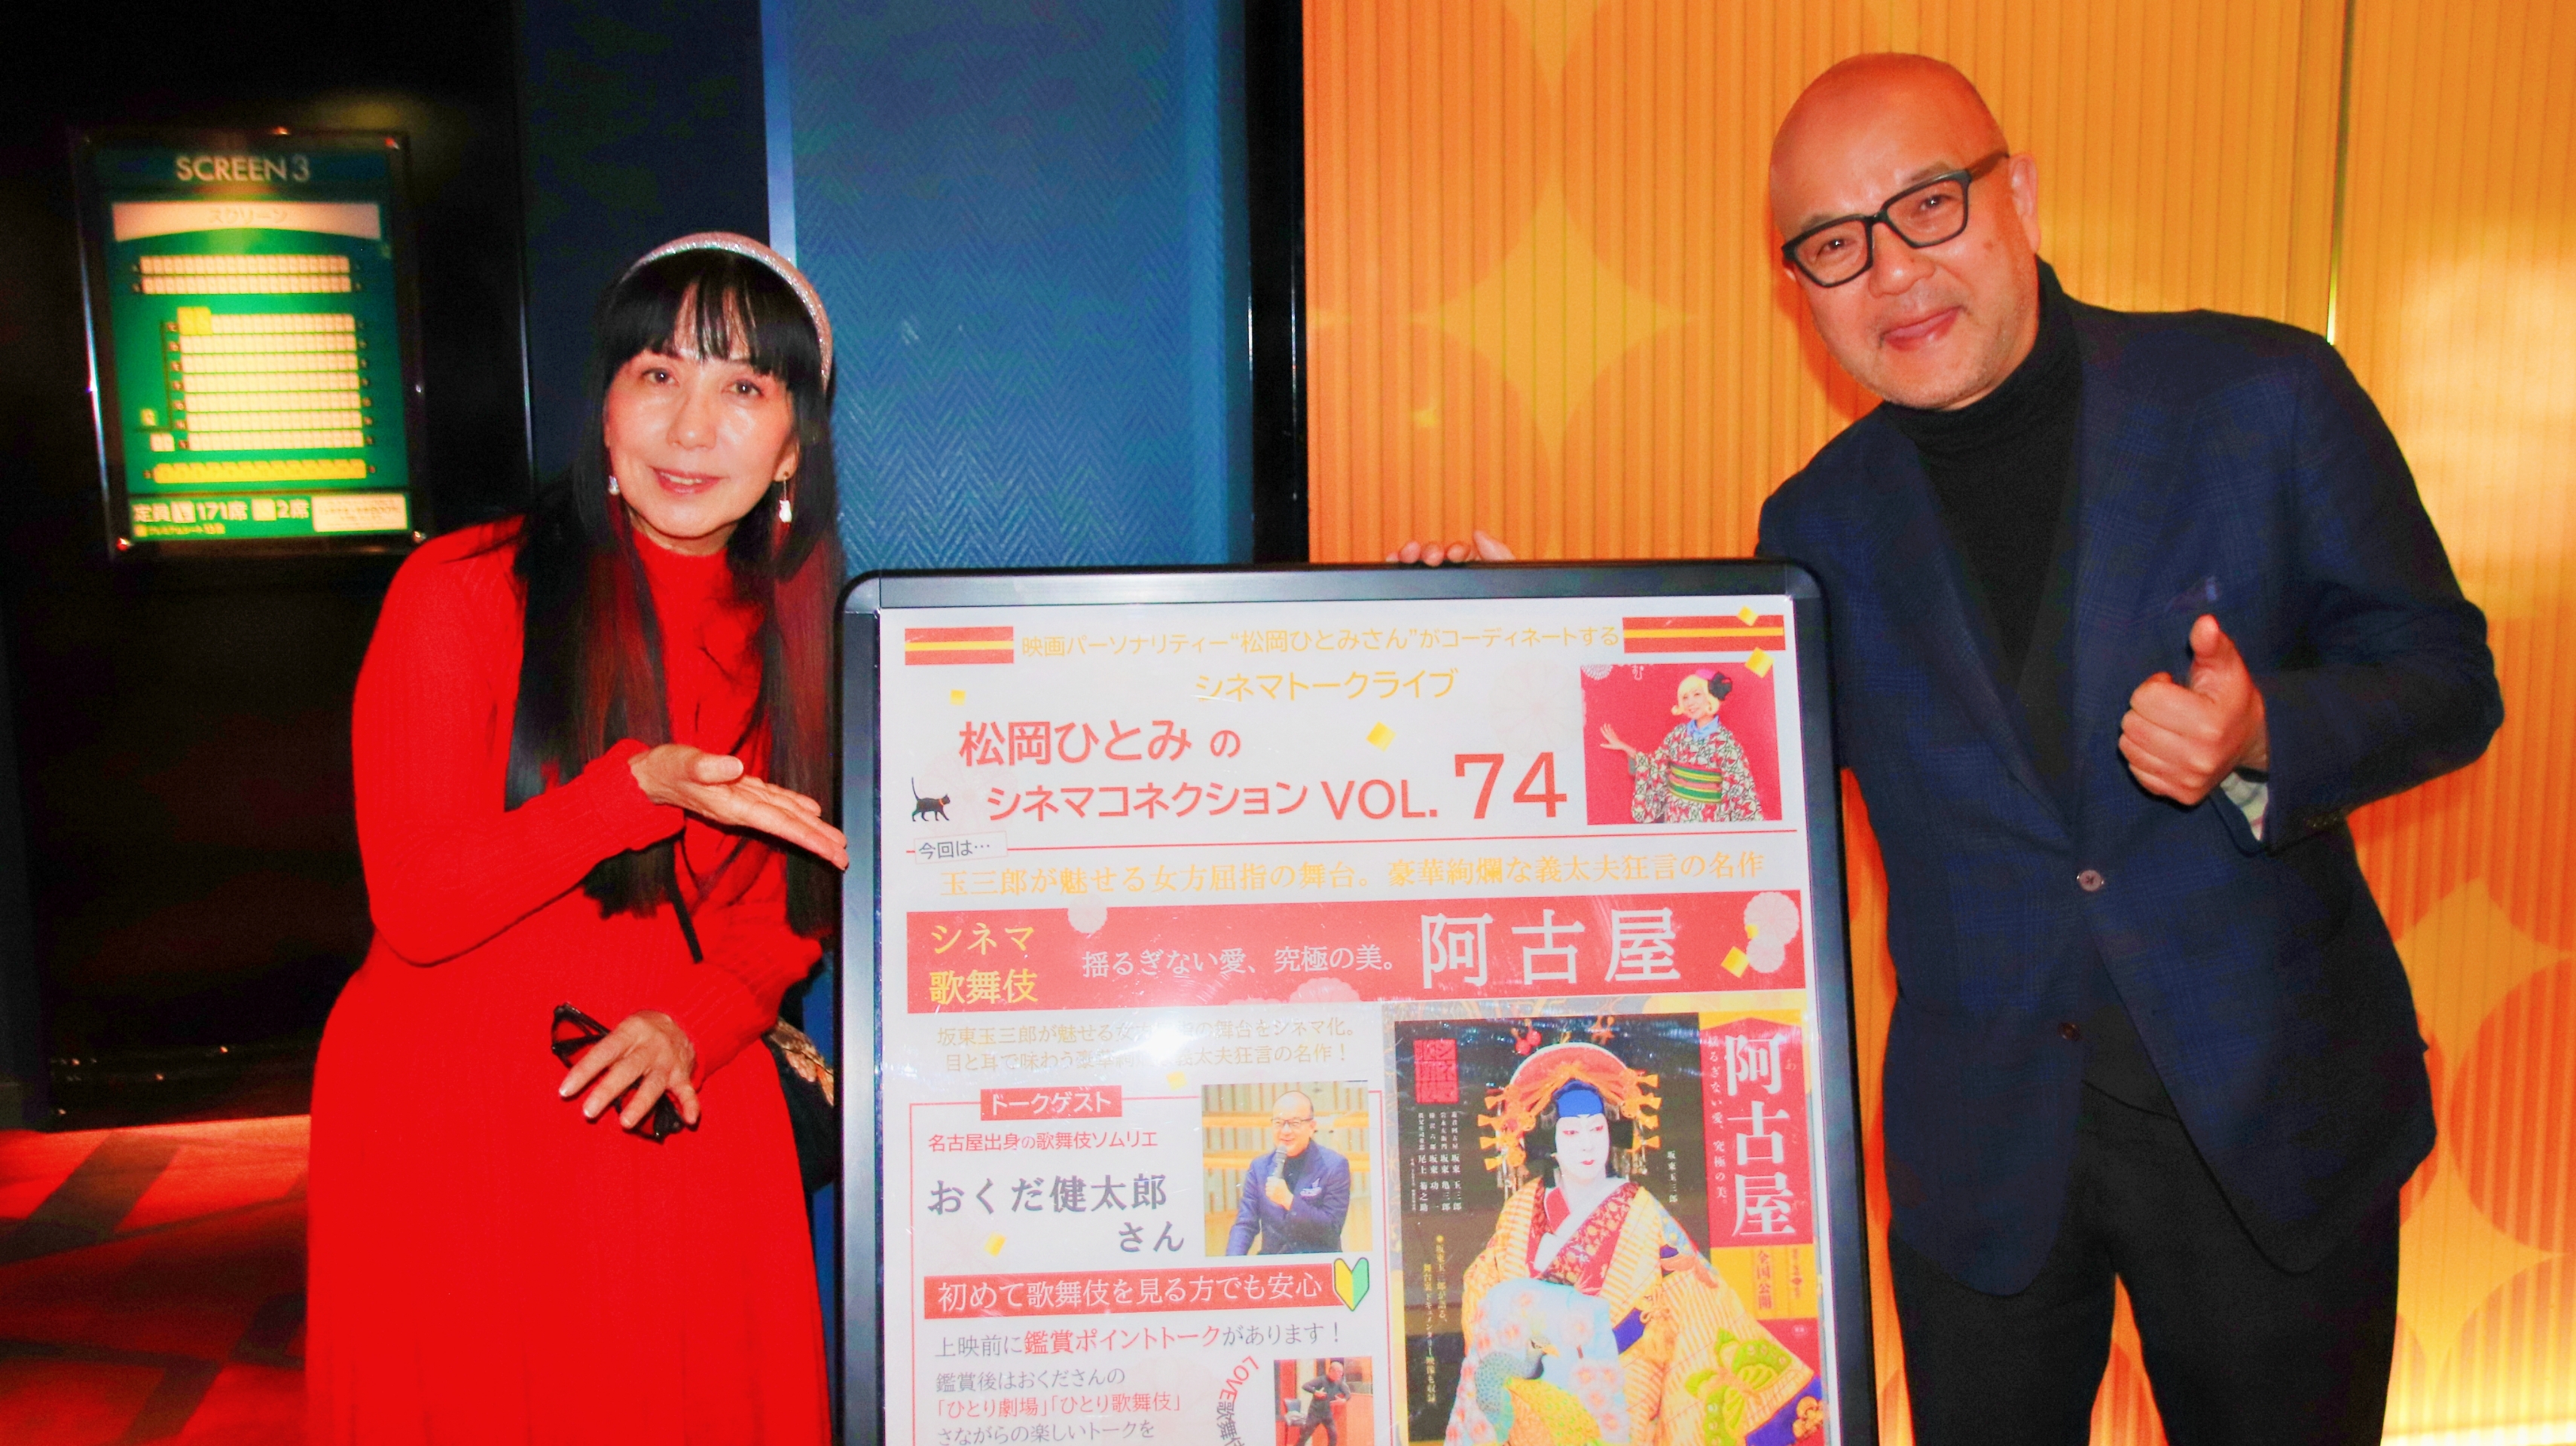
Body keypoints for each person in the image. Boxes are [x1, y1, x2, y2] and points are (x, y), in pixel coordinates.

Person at [1400, 53, 2503, 1444]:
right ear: (1799, 289)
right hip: (1981, 1154)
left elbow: (2444, 676)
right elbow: (1719, 799)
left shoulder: (2262, 394)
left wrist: (2264, 732)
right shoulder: (1815, 524)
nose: (1893, 272)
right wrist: (1504, 653)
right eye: (1834, 245)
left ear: (2018, 195)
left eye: (1928, 206)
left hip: (2270, 1120)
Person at [307, 233, 852, 1444]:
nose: (691, 427)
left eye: (743, 387)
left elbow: (782, 924)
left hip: (669, 1090)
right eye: (658, 375)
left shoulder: (800, 632)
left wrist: (693, 1025)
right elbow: (418, 906)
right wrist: (634, 790)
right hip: (457, 1119)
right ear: (605, 407)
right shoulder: (461, 590)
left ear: (792, 448)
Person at [1446, 1044, 1821, 1446]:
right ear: (1548, 1141)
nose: (1587, 1144)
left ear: (1612, 1132)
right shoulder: (1521, 1208)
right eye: (1571, 1132)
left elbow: (1694, 1291)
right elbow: (1484, 1285)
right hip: (1530, 1390)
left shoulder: (1642, 1210)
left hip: (1623, 1381)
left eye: (1597, 1129)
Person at [1600, 667, 1763, 823]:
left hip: (1708, 818)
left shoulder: (1726, 742)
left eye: (1697, 694)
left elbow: (1741, 789)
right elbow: (1656, 765)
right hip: (1675, 814)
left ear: (1710, 697)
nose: (1690, 702)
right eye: (1685, 697)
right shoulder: (1677, 734)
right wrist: (1625, 748)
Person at [1225, 1089, 1353, 1255]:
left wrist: (1289, 1201)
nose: (1285, 1131)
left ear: (1312, 1127)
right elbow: (1245, 1225)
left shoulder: (1334, 1166)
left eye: (1294, 1123)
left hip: (1316, 1263)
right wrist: (1232, 1263)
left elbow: (1332, 1230)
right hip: (1275, 1265)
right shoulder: (1260, 1167)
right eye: (1279, 1123)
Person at [1294, 1359, 1348, 1446]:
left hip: (1327, 1414)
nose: (1341, 1374)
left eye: (1342, 1372)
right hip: (1315, 1413)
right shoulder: (1321, 1380)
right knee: (1305, 1436)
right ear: (1331, 1371)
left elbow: (1348, 1394)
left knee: (1334, 1435)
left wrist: (1343, 1400)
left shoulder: (1339, 1382)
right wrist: (1315, 1392)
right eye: (1339, 1372)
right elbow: (1305, 1386)